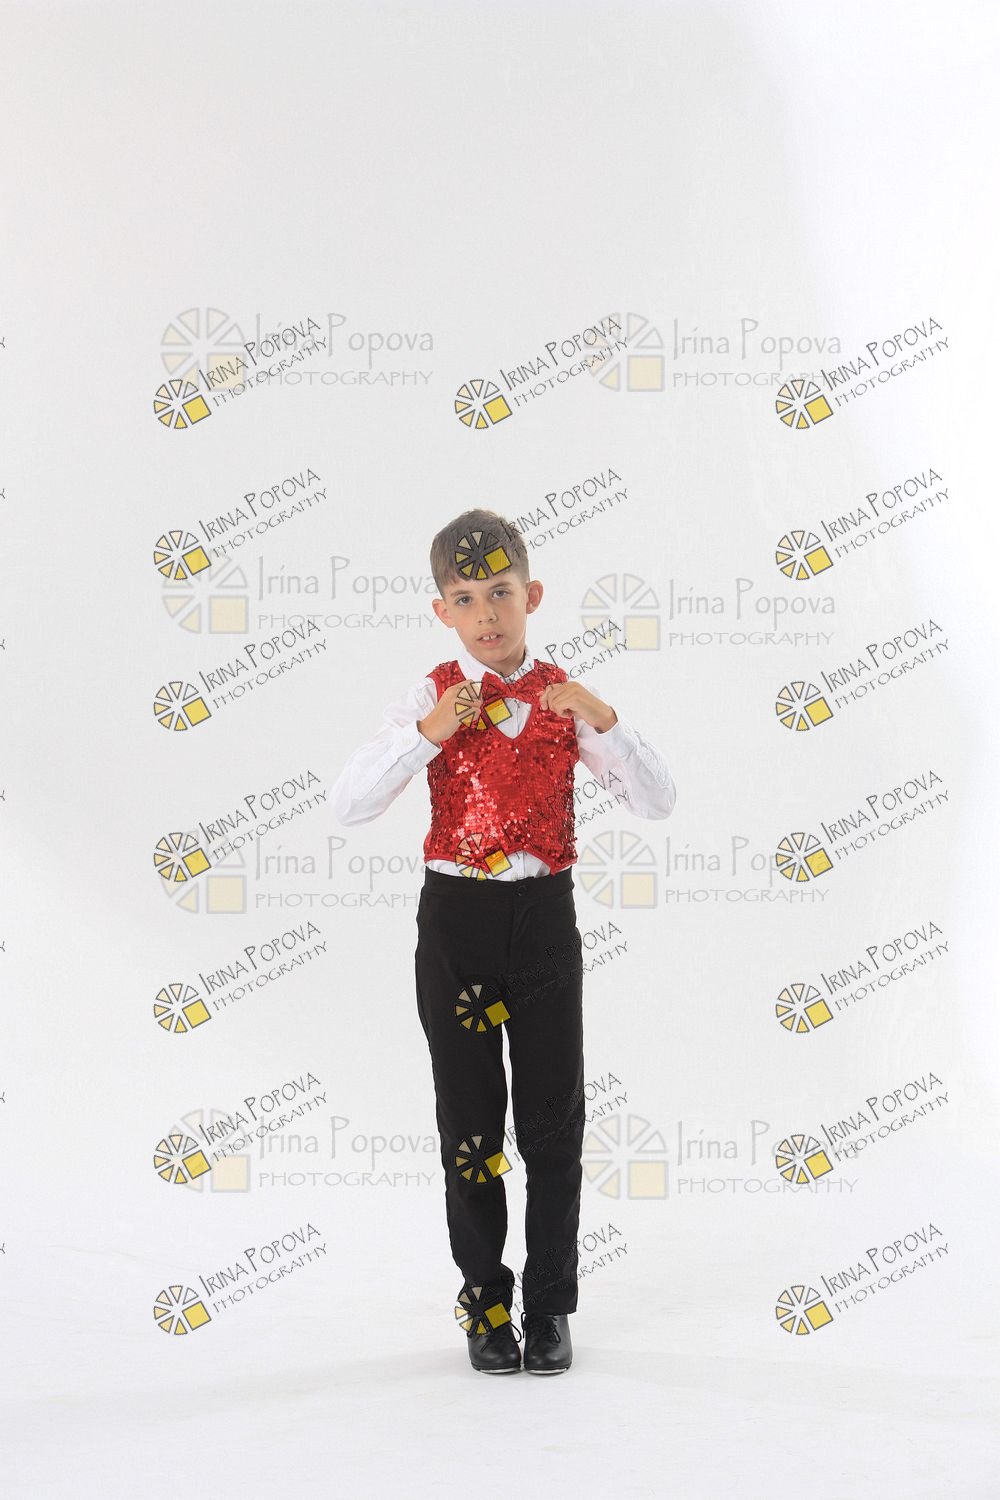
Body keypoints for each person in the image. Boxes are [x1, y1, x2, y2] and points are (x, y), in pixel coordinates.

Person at [331, 508, 677, 1375]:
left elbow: (657, 802)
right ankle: (486, 1304)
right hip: (458, 922)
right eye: (465, 598)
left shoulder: (565, 699)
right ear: (441, 610)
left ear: (533, 595)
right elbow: (350, 804)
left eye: (500, 592)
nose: (486, 614)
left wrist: (606, 716)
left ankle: (550, 1306)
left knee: (554, 1118)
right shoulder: (430, 698)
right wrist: (426, 736)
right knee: (471, 1123)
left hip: (544, 919)